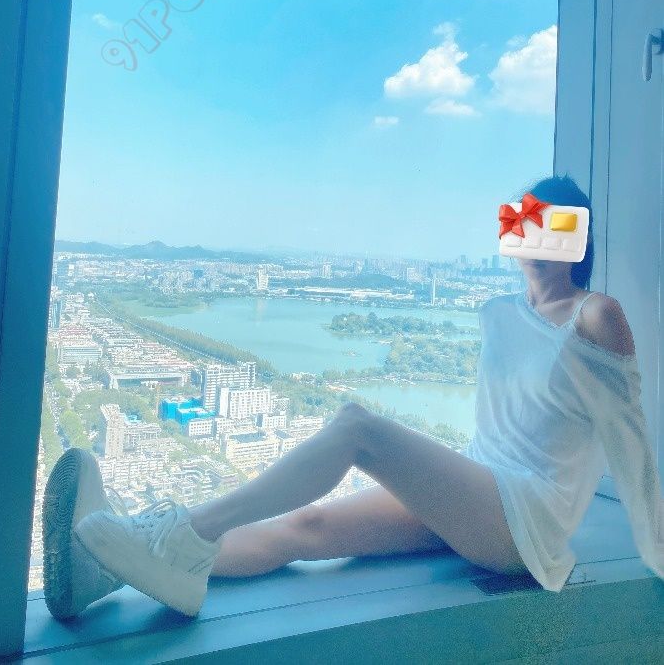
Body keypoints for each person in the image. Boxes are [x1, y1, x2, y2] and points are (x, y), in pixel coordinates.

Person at [42, 174, 664, 620]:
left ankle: (183, 531)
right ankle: (109, 566)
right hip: (479, 489)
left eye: (551, 224)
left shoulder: (595, 315)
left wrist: (659, 551)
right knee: (302, 528)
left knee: (356, 427)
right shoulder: (499, 312)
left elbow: (630, 440)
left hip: (524, 521)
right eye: (525, 220)